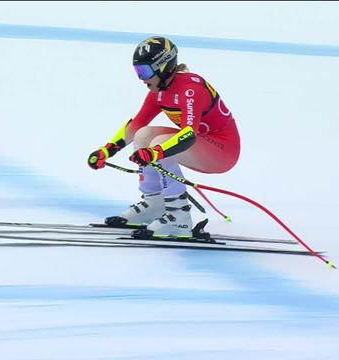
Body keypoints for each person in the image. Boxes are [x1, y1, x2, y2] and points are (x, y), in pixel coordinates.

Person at [88, 36, 241, 238]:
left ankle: (179, 217)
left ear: (163, 67)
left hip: (222, 151)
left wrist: (156, 152)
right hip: (201, 144)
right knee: (144, 135)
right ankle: (155, 203)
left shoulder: (190, 90)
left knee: (159, 143)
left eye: (144, 71)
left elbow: (188, 135)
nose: (141, 78)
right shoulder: (158, 91)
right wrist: (107, 150)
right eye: (137, 71)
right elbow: (136, 125)